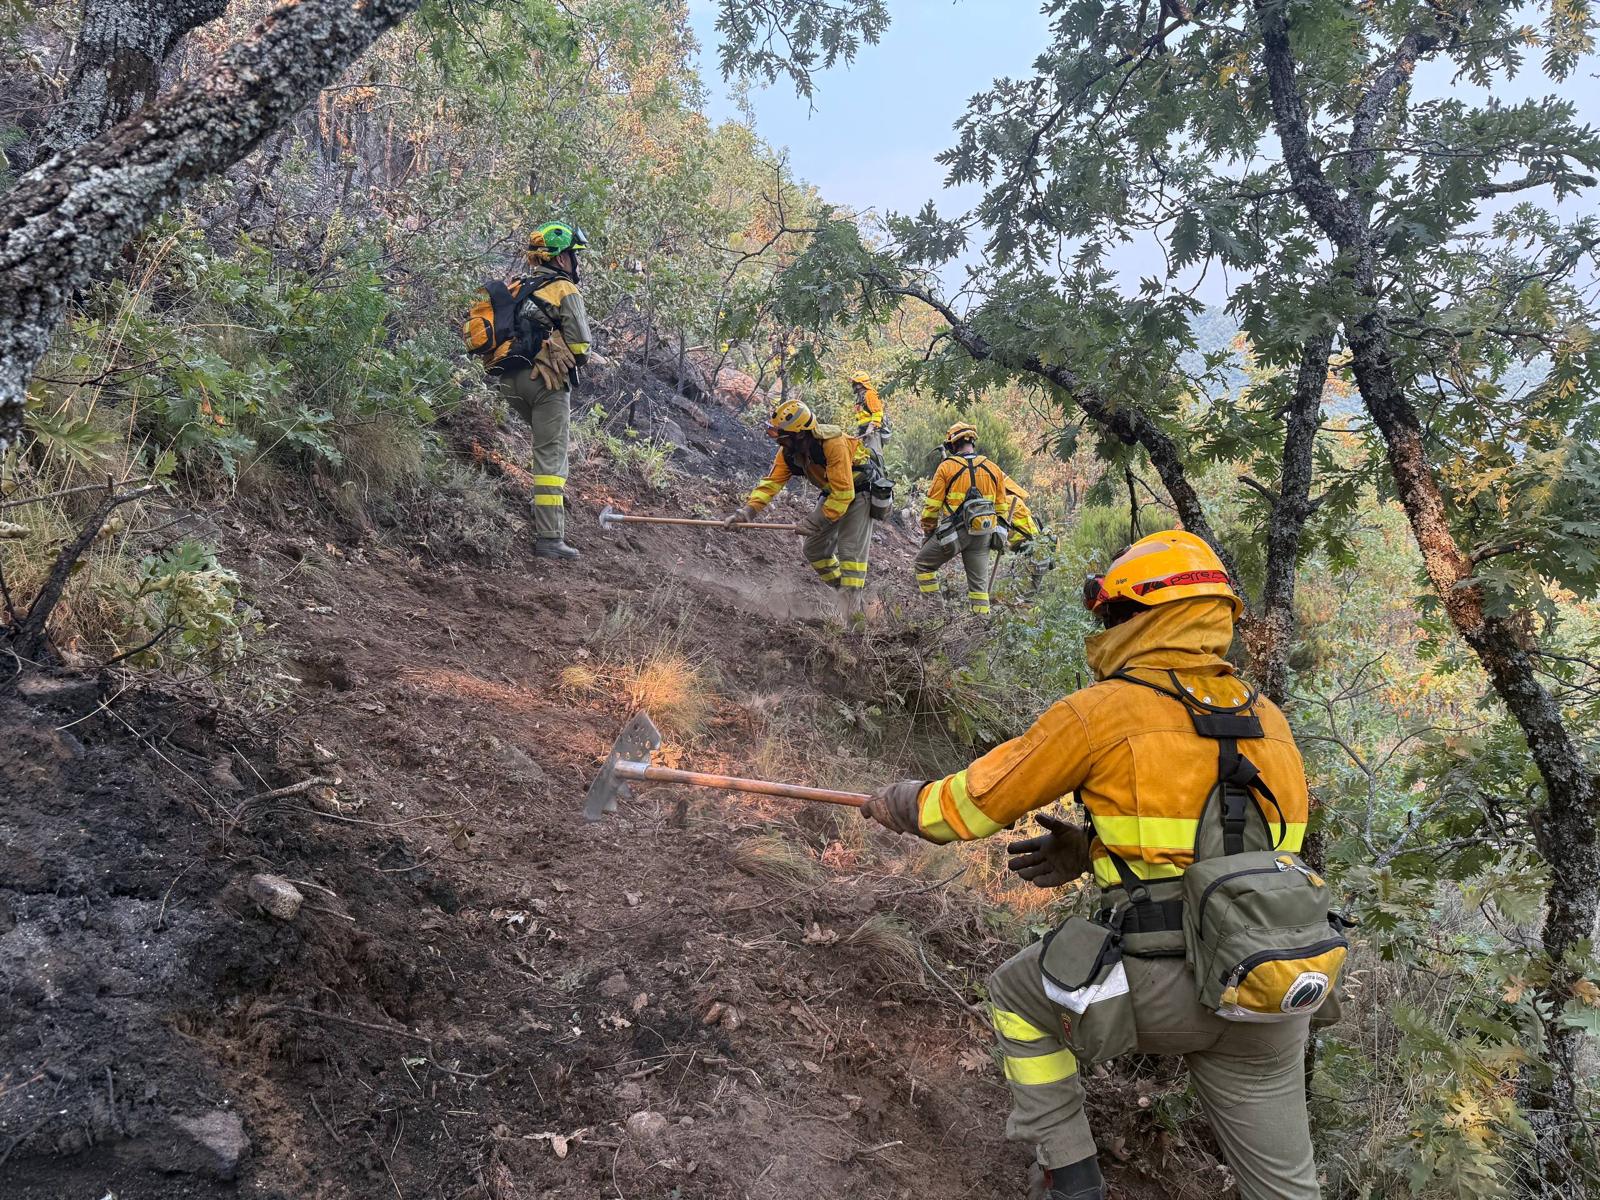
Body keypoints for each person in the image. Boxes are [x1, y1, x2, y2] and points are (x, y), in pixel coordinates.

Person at [861, 531, 1322, 1200]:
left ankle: (1071, 1179)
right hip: (1271, 984)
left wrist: (901, 803)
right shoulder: (1271, 722)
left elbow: (968, 809)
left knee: (1019, 997)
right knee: (1286, 1188)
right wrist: (1091, 850)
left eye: (1109, 614)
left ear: (1138, 617)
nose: (1103, 628)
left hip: (1163, 986)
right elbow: (1238, 857)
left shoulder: (1105, 711)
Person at [726, 398, 875, 617]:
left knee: (850, 559)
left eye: (781, 436)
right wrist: (747, 512)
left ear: (801, 434)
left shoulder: (833, 444)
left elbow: (845, 493)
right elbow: (771, 483)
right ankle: (847, 594)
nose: (778, 441)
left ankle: (857, 627)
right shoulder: (788, 452)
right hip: (833, 493)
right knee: (814, 550)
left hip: (859, 494)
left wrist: (815, 520)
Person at [500, 221, 593, 560]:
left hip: (508, 380)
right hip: (546, 382)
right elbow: (581, 345)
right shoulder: (564, 289)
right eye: (573, 255)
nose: (576, 262)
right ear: (561, 259)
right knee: (550, 462)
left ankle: (543, 510)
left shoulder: (517, 286)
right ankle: (551, 540)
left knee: (544, 449)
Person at [915, 422, 1037, 616]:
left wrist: (928, 531)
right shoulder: (993, 468)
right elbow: (1001, 508)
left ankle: (935, 617)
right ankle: (979, 631)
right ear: (972, 441)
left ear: (952, 445)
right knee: (980, 592)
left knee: (922, 565)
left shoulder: (946, 467)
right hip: (983, 534)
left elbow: (932, 507)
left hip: (953, 534)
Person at [850, 371, 886, 453]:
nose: (853, 385)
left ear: (860, 384)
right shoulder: (860, 397)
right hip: (863, 431)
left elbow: (878, 412)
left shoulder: (870, 394)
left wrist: (871, 427)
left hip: (872, 432)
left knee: (873, 455)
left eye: (854, 383)